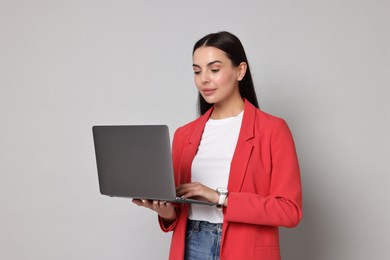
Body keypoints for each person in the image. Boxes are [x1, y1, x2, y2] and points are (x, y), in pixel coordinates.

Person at [132, 31, 302, 260]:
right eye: (197, 71)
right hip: (192, 244)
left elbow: (289, 210)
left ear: (240, 71)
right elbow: (179, 209)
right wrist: (167, 212)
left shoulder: (272, 130)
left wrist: (219, 197)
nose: (204, 79)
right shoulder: (184, 134)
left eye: (214, 69)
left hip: (245, 250)